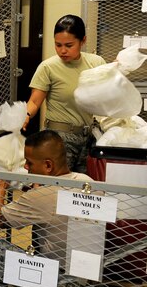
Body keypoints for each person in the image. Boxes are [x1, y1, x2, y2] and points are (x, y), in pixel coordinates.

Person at [0, 130, 105, 287]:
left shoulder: (42, 197)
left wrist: (0, 189)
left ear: (48, 166)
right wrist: (38, 190)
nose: (26, 168)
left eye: (30, 163)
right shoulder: (88, 182)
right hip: (90, 285)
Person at [24, 14, 106, 174]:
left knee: (81, 190)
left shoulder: (96, 63)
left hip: (88, 137)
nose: (62, 50)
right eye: (58, 45)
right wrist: (25, 115)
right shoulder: (48, 67)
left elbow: (107, 95)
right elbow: (34, 101)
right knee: (55, 188)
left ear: (83, 41)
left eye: (69, 45)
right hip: (59, 139)